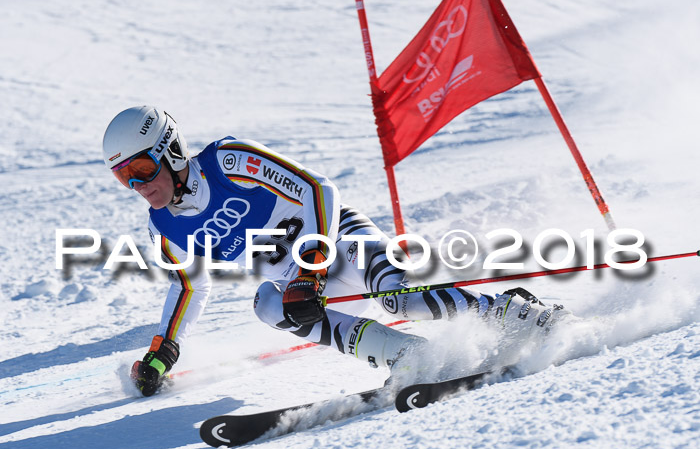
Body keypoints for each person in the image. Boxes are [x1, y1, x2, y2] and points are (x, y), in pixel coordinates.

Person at [102, 106, 568, 396]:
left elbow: (317, 189)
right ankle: (407, 357)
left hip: (336, 240)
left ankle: (517, 314)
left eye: (142, 167)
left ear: (170, 150)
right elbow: (189, 288)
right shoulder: (163, 227)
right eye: (125, 178)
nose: (139, 186)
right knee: (268, 305)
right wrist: (164, 351)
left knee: (400, 298)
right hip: (298, 281)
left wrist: (312, 268)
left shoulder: (228, 160)